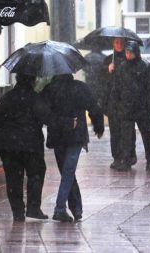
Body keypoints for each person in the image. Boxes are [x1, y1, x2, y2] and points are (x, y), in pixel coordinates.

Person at [0, 74, 65, 222]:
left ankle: (18, 211)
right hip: (30, 144)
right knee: (36, 174)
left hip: (8, 145)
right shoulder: (35, 98)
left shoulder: (6, 98)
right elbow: (48, 118)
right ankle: (33, 207)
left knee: (13, 178)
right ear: (32, 80)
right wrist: (67, 123)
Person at [41, 74, 104, 223]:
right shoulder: (80, 87)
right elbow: (94, 107)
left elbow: (43, 113)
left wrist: (58, 122)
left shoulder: (49, 90)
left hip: (57, 136)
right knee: (68, 172)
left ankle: (74, 208)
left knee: (67, 172)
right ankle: (63, 208)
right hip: (76, 136)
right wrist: (98, 126)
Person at [115, 40, 150, 171]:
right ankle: (127, 161)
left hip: (141, 107)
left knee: (146, 134)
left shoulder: (144, 67)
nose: (128, 55)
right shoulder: (122, 68)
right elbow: (117, 87)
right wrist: (117, 103)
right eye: (126, 52)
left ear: (136, 53)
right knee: (127, 136)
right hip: (126, 107)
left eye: (130, 52)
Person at [102, 37, 136, 169]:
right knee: (115, 131)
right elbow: (103, 81)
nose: (119, 44)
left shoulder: (129, 59)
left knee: (127, 131)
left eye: (121, 42)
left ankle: (129, 156)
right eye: (116, 42)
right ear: (113, 43)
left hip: (126, 102)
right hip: (113, 102)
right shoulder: (108, 60)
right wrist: (108, 70)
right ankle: (117, 157)